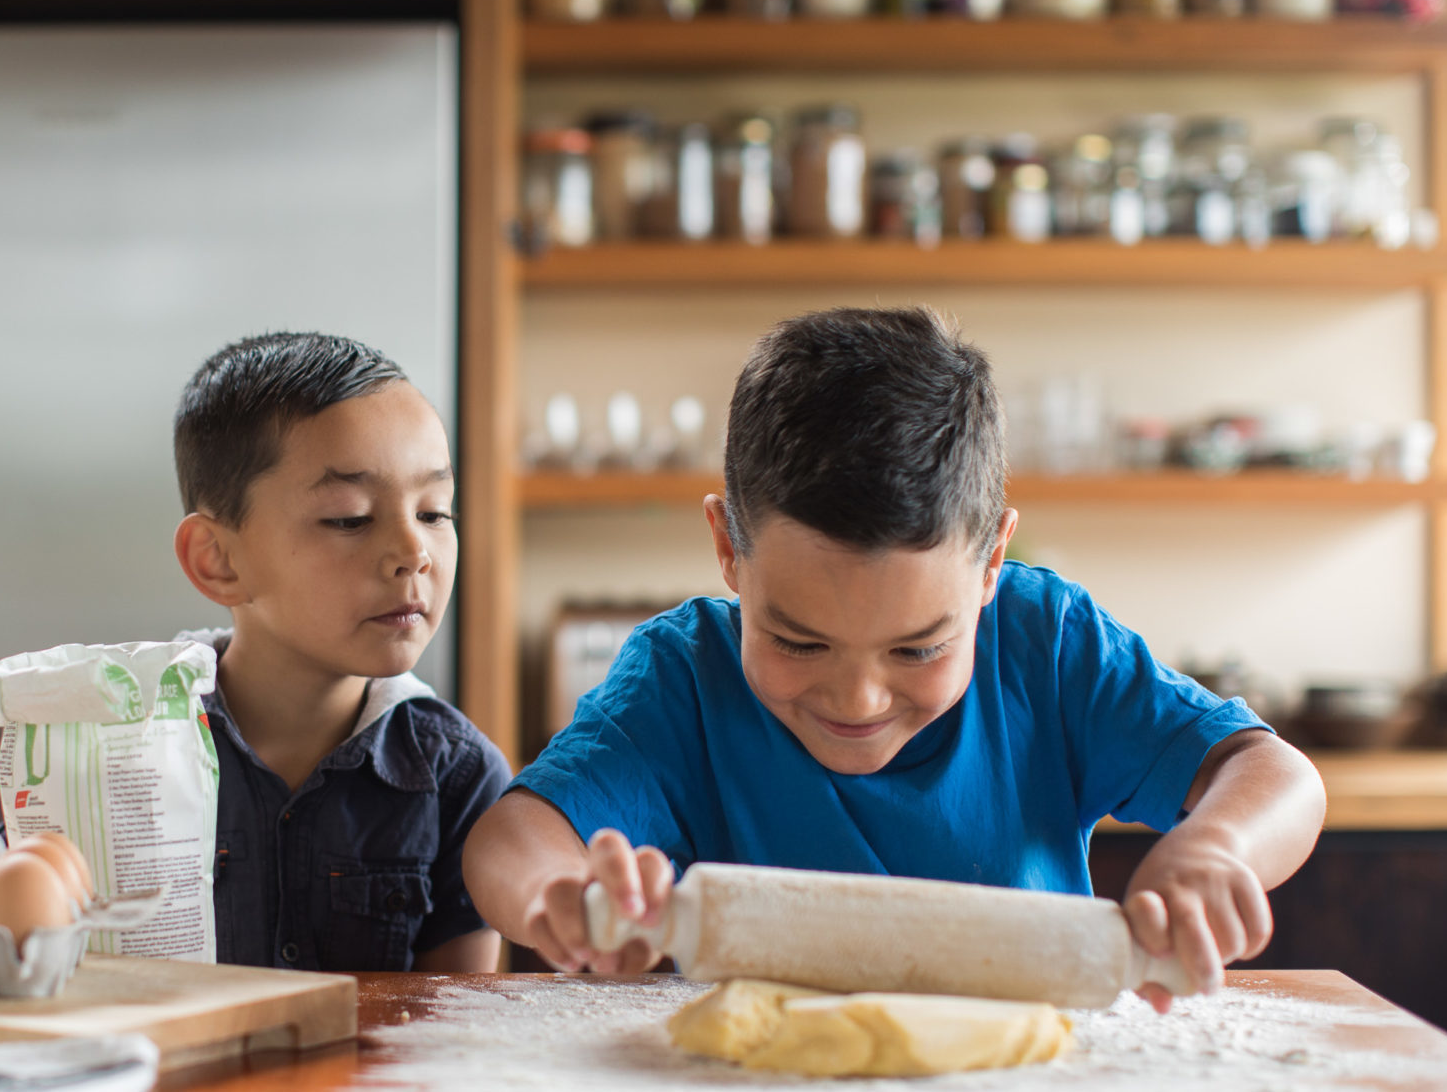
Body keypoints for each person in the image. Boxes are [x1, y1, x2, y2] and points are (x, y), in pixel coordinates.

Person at [461, 306, 1326, 1011]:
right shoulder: (687, 677)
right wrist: (562, 897)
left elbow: (1274, 774)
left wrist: (1217, 845)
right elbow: (512, 836)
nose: (859, 694)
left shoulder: (1046, 643)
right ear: (729, 547)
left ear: (991, 564)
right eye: (798, 640)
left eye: (919, 647)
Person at [170, 332, 509, 972]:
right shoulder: (122, 742)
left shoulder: (461, 781)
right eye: (351, 518)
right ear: (218, 561)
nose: (415, 551)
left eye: (435, 511)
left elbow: (453, 1038)